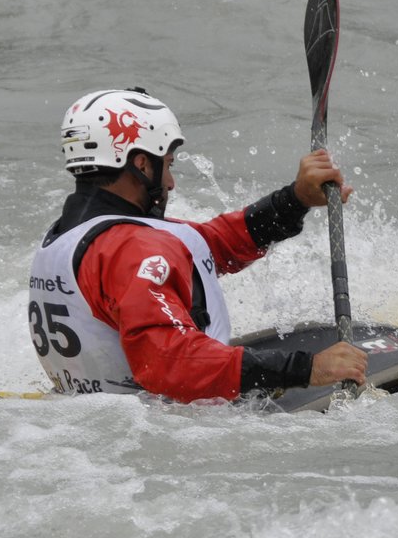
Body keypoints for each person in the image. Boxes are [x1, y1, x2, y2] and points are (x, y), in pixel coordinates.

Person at [28, 87, 369, 402]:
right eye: (168, 165)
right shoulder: (133, 249)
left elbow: (213, 245)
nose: (171, 183)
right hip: (171, 423)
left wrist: (295, 199)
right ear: (142, 163)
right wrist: (308, 368)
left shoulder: (66, 237)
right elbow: (172, 361)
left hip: (97, 416)